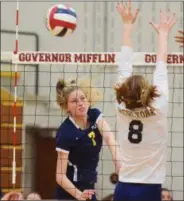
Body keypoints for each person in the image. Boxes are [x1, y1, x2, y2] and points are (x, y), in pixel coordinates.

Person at [113, 1, 176, 201]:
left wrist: (127, 24)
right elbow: (161, 64)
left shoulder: (120, 106)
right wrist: (163, 34)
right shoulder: (158, 107)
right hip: (150, 188)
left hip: (123, 186)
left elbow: (125, 64)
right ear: (148, 92)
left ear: (124, 92)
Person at [55, 79, 121, 200]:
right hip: (70, 192)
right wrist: (78, 195)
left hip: (88, 188)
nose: (81, 103)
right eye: (74, 101)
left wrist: (117, 161)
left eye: (83, 98)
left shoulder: (94, 115)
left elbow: (109, 137)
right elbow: (60, 176)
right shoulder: (65, 132)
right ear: (66, 106)